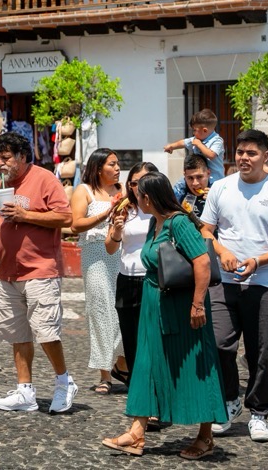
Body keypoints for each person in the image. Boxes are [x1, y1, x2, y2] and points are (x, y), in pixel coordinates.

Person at [102, 172, 227, 459]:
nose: (137, 199)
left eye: (140, 195)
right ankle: (136, 432)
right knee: (145, 366)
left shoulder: (178, 223)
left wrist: (197, 305)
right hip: (153, 306)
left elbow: (203, 262)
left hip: (182, 309)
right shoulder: (155, 225)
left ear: (150, 197)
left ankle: (206, 437)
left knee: (196, 368)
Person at [200, 129, 268, 442]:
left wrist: (259, 261)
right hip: (225, 283)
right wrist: (223, 251)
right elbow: (206, 230)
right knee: (219, 345)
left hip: (266, 284)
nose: (244, 158)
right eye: (241, 152)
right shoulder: (221, 187)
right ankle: (230, 400)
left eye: (252, 153)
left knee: (263, 352)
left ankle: (259, 411)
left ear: (265, 156)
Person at [0, 132, 78, 414]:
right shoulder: (2, 184)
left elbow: (66, 218)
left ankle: (64, 381)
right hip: (9, 273)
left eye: (6, 157)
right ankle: (25, 392)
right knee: (17, 333)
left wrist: (26, 215)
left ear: (22, 156)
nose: (1, 162)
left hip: (40, 269)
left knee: (45, 331)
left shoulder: (44, 178)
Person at [70, 148, 126, 394]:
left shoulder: (123, 190)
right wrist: (107, 212)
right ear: (98, 167)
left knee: (123, 310)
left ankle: (122, 363)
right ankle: (105, 374)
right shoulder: (84, 190)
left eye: (117, 164)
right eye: (112, 164)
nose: (117, 168)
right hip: (95, 257)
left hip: (122, 255)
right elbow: (75, 224)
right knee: (101, 310)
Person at [104, 162, 158, 384]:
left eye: (142, 182)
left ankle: (156, 390)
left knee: (153, 339)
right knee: (131, 338)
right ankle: (138, 388)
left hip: (155, 279)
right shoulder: (124, 208)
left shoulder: (163, 209)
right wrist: (116, 231)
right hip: (127, 278)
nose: (138, 187)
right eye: (133, 183)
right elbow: (110, 248)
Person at [165, 109, 225, 200]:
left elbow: (211, 155)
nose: (193, 133)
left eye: (194, 130)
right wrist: (171, 146)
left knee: (214, 196)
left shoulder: (217, 140)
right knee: (180, 184)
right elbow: (184, 142)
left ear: (204, 130)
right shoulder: (196, 139)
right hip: (196, 172)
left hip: (214, 178)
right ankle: (172, 203)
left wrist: (199, 145)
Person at [177, 154, 212, 218]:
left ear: (208, 173)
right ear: (184, 176)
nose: (195, 183)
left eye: (199, 177)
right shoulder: (179, 192)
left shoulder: (217, 191)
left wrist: (214, 202)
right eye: (190, 178)